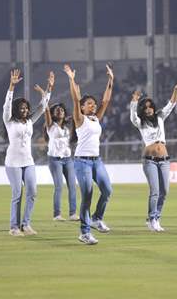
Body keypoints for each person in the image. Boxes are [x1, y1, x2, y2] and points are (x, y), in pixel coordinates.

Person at [64, 63, 114, 245]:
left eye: (94, 103)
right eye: (89, 104)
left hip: (96, 161)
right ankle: (84, 233)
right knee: (87, 195)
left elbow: (106, 100)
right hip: (82, 162)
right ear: (83, 108)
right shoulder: (80, 119)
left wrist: (111, 79)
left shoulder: (95, 118)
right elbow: (74, 100)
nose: (93, 106)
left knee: (107, 190)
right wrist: (71, 79)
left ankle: (96, 218)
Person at [130, 82, 177, 232]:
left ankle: (156, 218)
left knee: (165, 192)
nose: (148, 109)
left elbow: (171, 104)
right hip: (150, 161)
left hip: (165, 160)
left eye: (150, 106)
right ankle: (152, 219)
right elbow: (133, 117)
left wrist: (175, 89)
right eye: (145, 107)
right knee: (155, 191)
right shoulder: (141, 123)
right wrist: (134, 101)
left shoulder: (160, 117)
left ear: (153, 108)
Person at [3, 69, 50, 237]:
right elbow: (7, 106)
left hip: (28, 161)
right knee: (17, 194)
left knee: (32, 192)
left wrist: (48, 89)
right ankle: (14, 228)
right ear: (17, 109)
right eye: (21, 108)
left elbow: (42, 107)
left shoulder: (30, 121)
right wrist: (11, 86)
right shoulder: (9, 121)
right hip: (13, 163)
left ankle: (26, 224)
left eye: (26, 108)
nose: (24, 110)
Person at [41, 71, 79, 222]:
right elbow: (45, 108)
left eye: (62, 109)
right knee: (58, 187)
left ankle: (72, 214)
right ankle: (57, 214)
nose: (60, 111)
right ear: (53, 113)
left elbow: (78, 110)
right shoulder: (50, 125)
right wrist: (48, 89)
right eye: (57, 110)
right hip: (55, 160)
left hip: (68, 159)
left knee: (72, 186)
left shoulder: (67, 127)